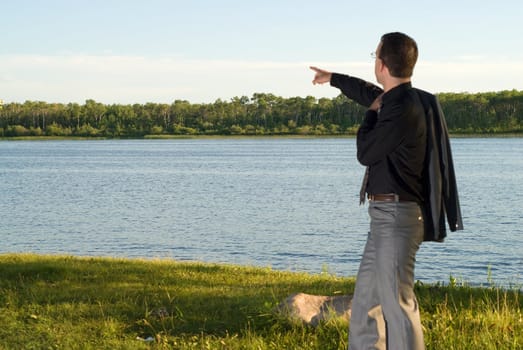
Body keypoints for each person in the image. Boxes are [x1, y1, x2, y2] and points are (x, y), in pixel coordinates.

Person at [311, 32, 463, 349]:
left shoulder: (401, 109)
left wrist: (369, 116)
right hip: (385, 217)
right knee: (367, 300)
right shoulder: (403, 99)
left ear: (381, 64)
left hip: (397, 217)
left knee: (397, 304)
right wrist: (335, 79)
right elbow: (371, 94)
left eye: (374, 55)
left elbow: (366, 152)